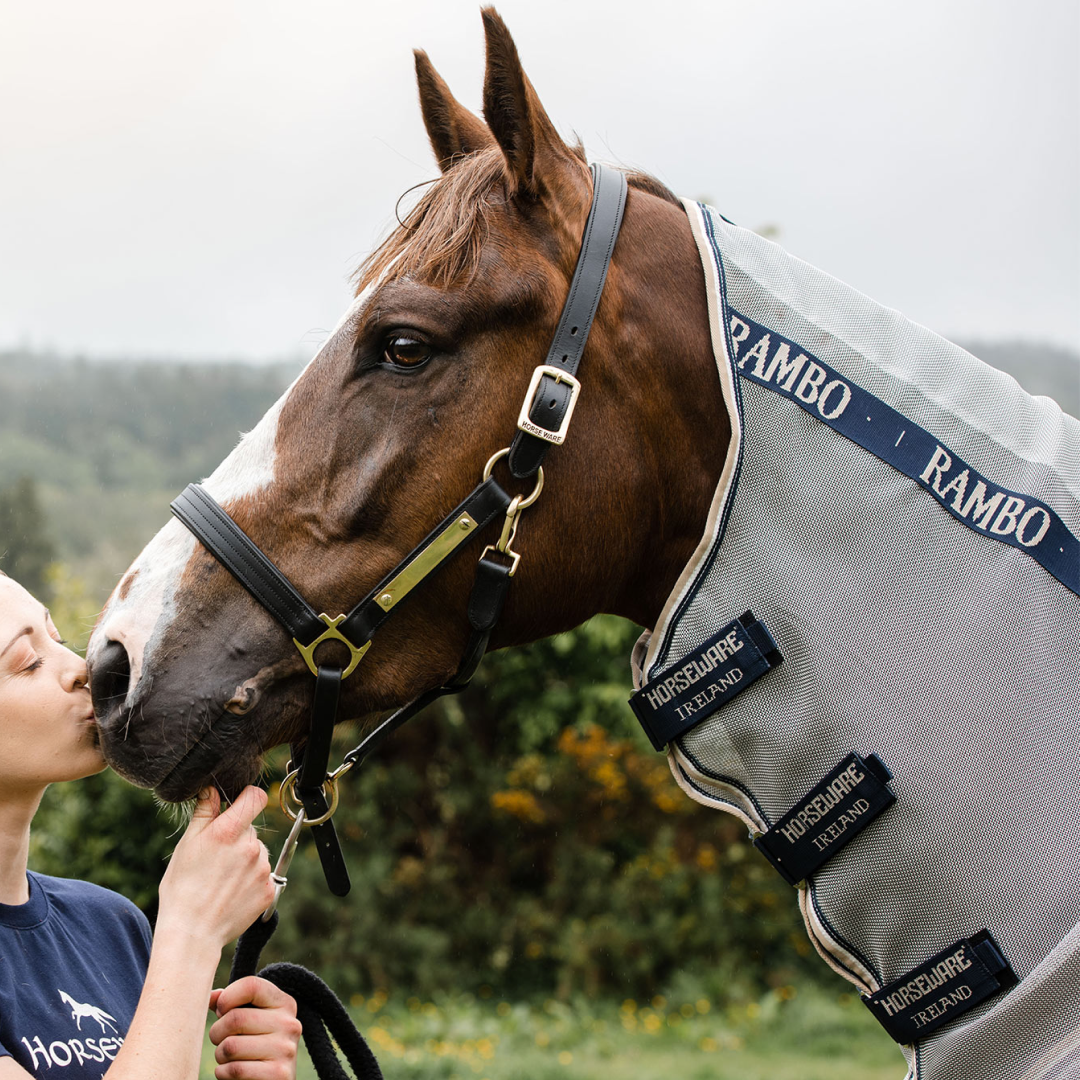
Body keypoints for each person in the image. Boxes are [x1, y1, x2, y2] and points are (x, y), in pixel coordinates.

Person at [0, 571, 302, 1080]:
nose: (81, 671)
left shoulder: (108, 925)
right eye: (27, 662)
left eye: (58, 640)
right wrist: (190, 930)